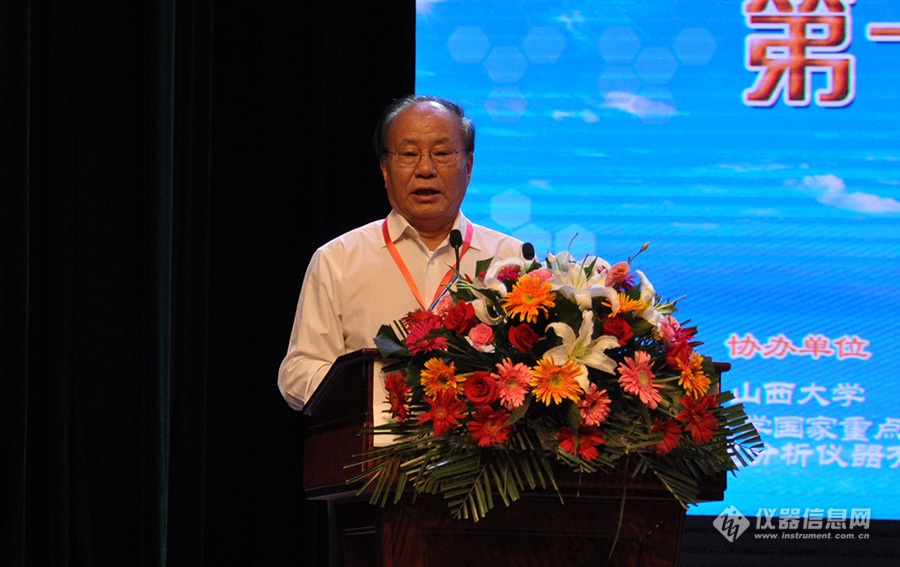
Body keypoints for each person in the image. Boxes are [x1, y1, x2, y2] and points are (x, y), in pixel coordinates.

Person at [278, 95, 524, 411]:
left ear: (468, 167)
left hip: (480, 438)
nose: (426, 169)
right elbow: (299, 371)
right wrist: (381, 393)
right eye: (409, 154)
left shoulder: (511, 261)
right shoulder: (337, 259)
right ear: (384, 168)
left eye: (442, 153)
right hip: (371, 439)